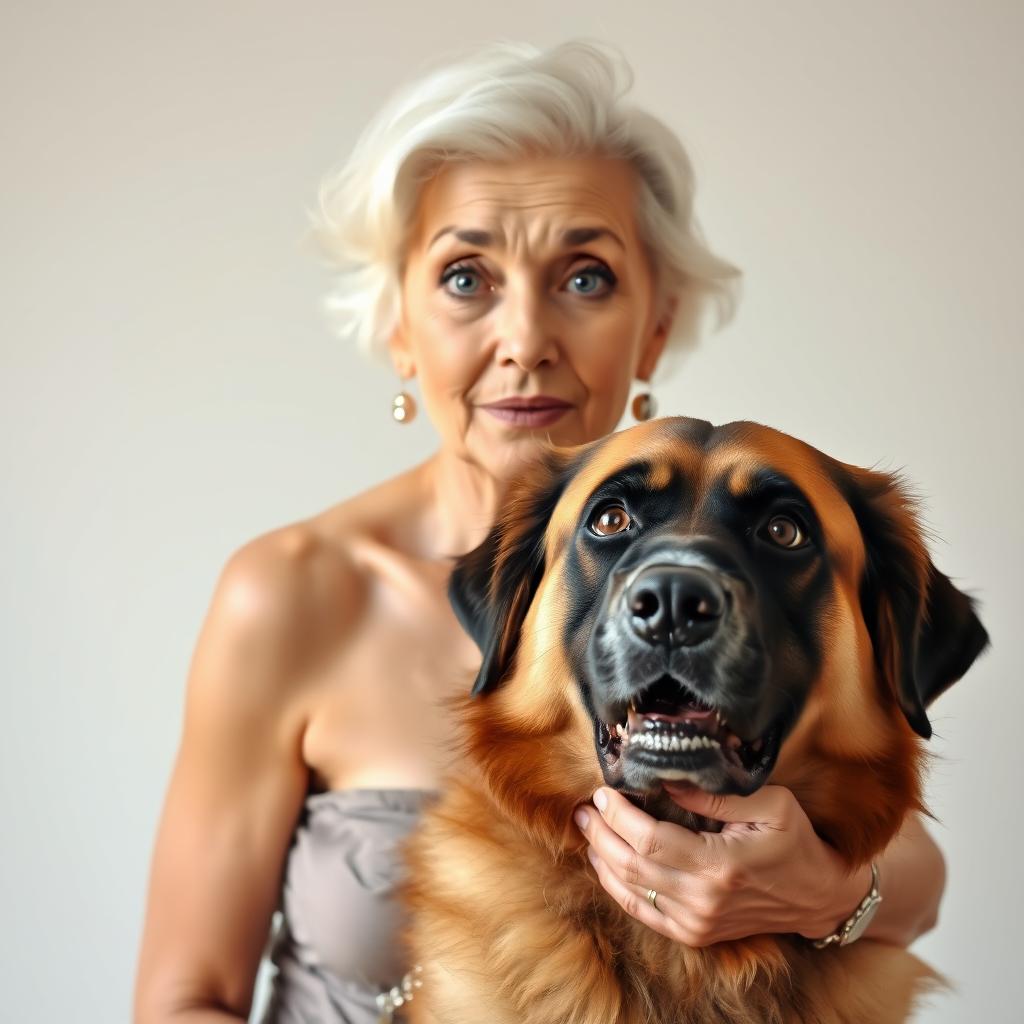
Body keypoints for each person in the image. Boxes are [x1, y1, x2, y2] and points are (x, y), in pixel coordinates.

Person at [134, 40, 947, 1024]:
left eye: (586, 277)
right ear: (399, 322)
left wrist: (827, 893)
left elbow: (909, 865)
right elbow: (186, 999)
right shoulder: (291, 594)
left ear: (655, 323)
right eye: (466, 278)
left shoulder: (735, 586)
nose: (525, 339)